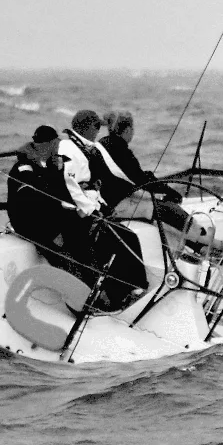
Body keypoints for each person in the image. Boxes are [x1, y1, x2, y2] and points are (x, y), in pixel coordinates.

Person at [58, 109, 150, 312]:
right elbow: (69, 186)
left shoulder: (82, 148)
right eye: (97, 127)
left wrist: (103, 207)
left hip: (88, 208)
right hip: (73, 214)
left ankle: (131, 291)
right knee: (118, 240)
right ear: (89, 128)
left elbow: (90, 186)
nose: (100, 131)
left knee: (127, 237)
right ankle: (128, 292)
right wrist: (93, 210)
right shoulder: (68, 149)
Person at [100, 110, 197, 253]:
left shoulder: (103, 145)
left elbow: (134, 177)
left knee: (161, 209)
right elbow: (141, 180)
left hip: (110, 199)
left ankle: (194, 245)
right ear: (127, 130)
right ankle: (210, 243)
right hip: (116, 204)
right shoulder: (121, 151)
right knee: (167, 209)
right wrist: (169, 192)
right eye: (132, 129)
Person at [4, 125, 81, 270]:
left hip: (47, 217)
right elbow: (33, 198)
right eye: (55, 144)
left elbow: (60, 191)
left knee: (80, 224)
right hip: (29, 222)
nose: (57, 148)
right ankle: (72, 273)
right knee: (65, 251)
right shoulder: (24, 168)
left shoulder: (49, 166)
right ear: (47, 145)